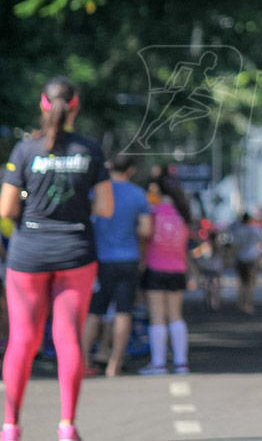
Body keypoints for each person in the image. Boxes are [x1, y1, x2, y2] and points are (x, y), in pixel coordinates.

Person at [0, 77, 114, 441]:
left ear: (42, 105)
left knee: (22, 340)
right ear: (75, 106)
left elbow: (5, 208)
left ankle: (10, 427)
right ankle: (66, 426)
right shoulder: (91, 150)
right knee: (68, 339)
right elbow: (107, 207)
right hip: (75, 253)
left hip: (28, 255)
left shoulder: (24, 149)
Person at [83, 154, 153, 378]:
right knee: (124, 312)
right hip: (128, 259)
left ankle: (83, 361)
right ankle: (115, 363)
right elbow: (146, 230)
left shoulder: (96, 192)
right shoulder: (138, 194)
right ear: (131, 170)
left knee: (94, 312)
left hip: (100, 260)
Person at [139, 172, 192, 376]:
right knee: (176, 316)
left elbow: (144, 238)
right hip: (177, 269)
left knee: (157, 317)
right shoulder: (182, 213)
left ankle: (158, 363)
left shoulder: (152, 211)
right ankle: (181, 362)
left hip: (155, 268)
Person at [231, 212, 262, 315]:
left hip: (241, 258)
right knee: (251, 283)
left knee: (242, 282)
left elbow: (234, 245)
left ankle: (241, 302)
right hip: (252, 258)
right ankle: (249, 304)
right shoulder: (255, 229)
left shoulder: (238, 231)